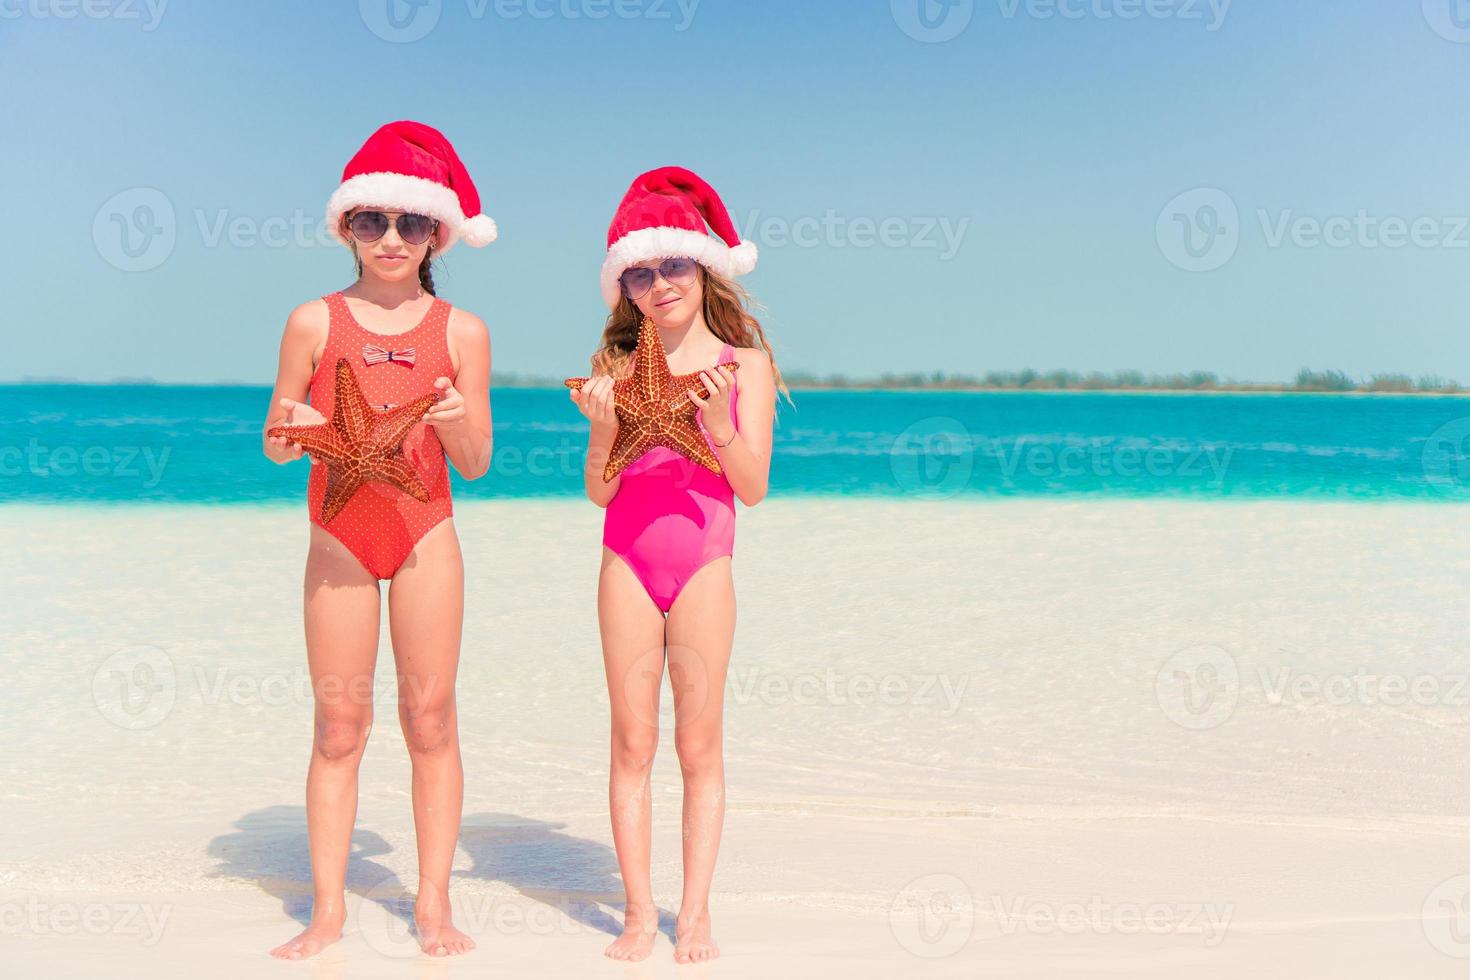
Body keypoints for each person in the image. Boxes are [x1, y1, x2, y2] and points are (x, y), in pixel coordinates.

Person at [261, 120, 495, 959]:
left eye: (410, 223)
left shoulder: (461, 332)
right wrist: (297, 430)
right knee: (338, 727)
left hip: (427, 530)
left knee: (429, 718)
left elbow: (472, 463)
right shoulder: (312, 322)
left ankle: (433, 904)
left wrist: (460, 419)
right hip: (339, 538)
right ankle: (327, 912)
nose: (390, 239)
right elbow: (277, 441)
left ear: (438, 232)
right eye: (371, 221)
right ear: (346, 227)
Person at [569, 166, 786, 963]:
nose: (659, 284)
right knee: (632, 741)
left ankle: (693, 913)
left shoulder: (744, 366)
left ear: (702, 269)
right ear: (623, 284)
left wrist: (713, 424)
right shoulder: (617, 372)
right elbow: (599, 494)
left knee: (700, 745)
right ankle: (635, 911)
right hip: (625, 561)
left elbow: (753, 488)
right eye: (641, 272)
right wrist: (603, 429)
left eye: (673, 267)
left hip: (705, 565)